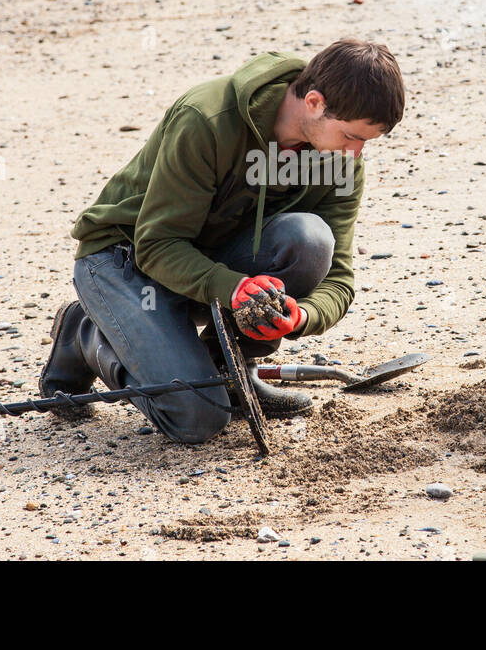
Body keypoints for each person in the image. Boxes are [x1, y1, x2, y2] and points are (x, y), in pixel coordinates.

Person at [40, 40, 405, 443]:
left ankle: (229, 371)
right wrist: (233, 289)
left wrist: (301, 317)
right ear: (315, 102)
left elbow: (337, 275)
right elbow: (158, 244)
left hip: (206, 263)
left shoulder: (337, 159)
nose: (355, 154)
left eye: (367, 142)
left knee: (309, 240)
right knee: (195, 418)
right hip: (123, 261)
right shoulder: (207, 118)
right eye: (352, 136)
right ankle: (85, 333)